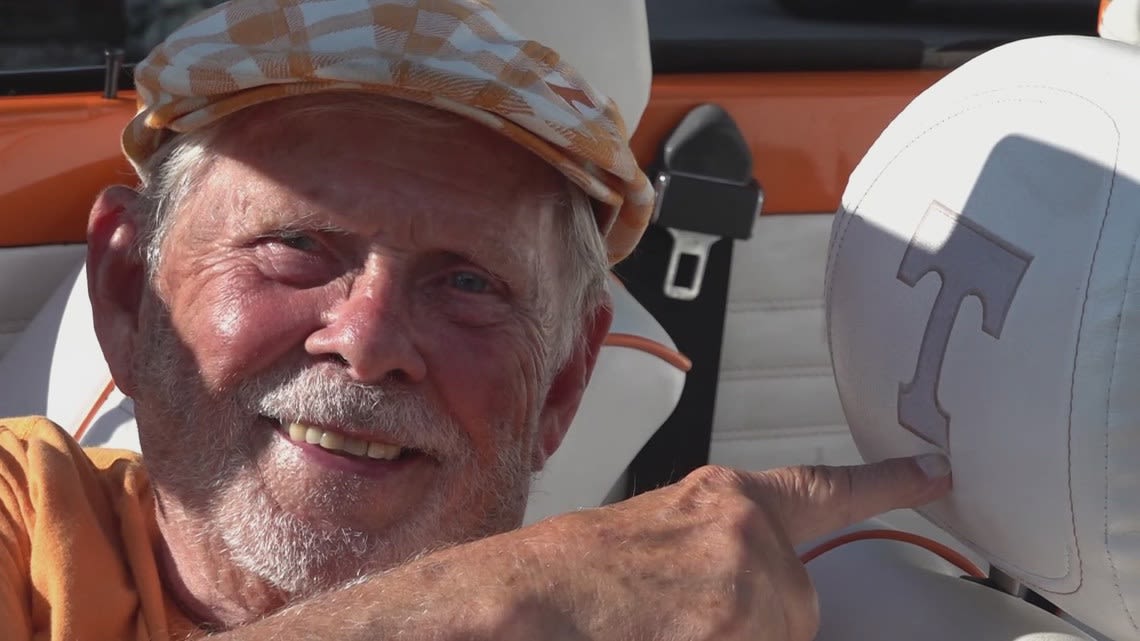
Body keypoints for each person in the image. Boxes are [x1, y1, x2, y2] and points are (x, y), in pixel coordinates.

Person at [0, 0, 952, 639]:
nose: (368, 340)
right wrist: (510, 600)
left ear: (563, 388)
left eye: (467, 283)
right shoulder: (21, 519)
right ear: (127, 293)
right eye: (298, 244)